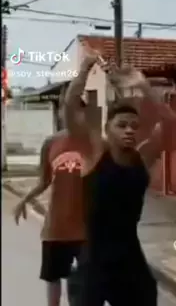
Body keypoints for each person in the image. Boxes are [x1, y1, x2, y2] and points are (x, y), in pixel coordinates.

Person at [63, 50, 175, 306]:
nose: (129, 131)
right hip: (93, 259)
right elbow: (70, 106)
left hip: (128, 257)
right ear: (107, 129)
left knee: (146, 296)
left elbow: (169, 122)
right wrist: (85, 69)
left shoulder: (141, 159)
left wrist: (143, 86)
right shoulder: (94, 154)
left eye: (134, 126)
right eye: (122, 125)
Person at [13, 97, 88, 306]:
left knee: (88, 280)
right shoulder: (51, 143)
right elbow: (44, 181)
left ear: (83, 113)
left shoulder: (95, 142)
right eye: (65, 110)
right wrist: (23, 201)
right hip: (56, 226)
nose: (69, 114)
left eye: (76, 110)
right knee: (53, 277)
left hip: (87, 227)